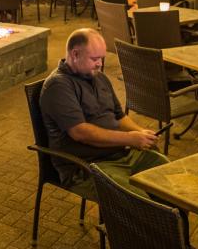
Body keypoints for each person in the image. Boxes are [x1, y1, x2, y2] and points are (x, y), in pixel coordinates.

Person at [39, 29, 160, 185]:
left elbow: (119, 116)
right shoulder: (58, 85)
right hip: (86, 167)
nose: (100, 64)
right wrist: (130, 139)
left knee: (167, 179)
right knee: (138, 200)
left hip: (118, 153)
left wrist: (140, 132)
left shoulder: (98, 77)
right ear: (75, 55)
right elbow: (80, 132)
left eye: (101, 58)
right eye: (94, 59)